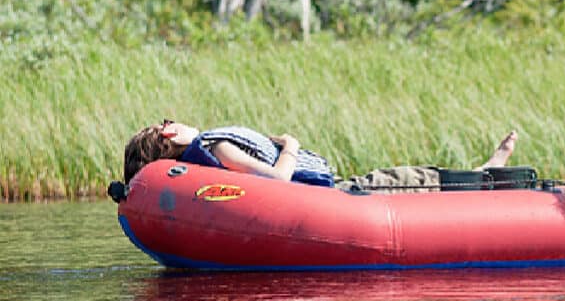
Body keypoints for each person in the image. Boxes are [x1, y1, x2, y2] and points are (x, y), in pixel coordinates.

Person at [122, 120, 520, 192]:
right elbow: (278, 180)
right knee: (412, 179)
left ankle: (482, 172)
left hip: (332, 194)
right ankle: (484, 174)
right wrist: (290, 145)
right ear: (171, 133)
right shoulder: (214, 147)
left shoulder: (201, 165)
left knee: (411, 178)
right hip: (341, 195)